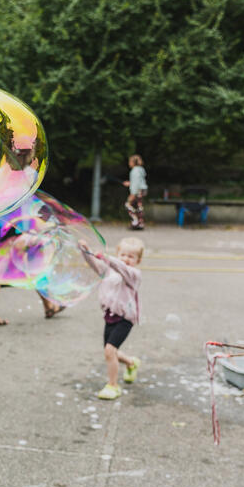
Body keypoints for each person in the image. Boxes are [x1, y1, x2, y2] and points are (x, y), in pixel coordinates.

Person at [78, 237, 143, 400]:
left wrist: (108, 258)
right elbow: (95, 264)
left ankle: (113, 386)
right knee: (110, 352)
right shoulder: (109, 270)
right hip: (110, 315)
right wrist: (86, 251)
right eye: (123, 255)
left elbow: (122, 268)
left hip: (125, 318)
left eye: (131, 256)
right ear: (118, 254)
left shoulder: (134, 275)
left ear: (138, 260)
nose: (126, 259)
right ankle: (131, 362)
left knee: (109, 350)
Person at [122, 155, 147, 230]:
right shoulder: (141, 169)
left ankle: (135, 222)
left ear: (133, 162)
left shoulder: (134, 171)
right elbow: (138, 181)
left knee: (128, 205)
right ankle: (140, 223)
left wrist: (132, 194)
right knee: (139, 207)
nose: (129, 163)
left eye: (130, 162)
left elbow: (136, 183)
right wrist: (130, 183)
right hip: (142, 190)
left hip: (137, 191)